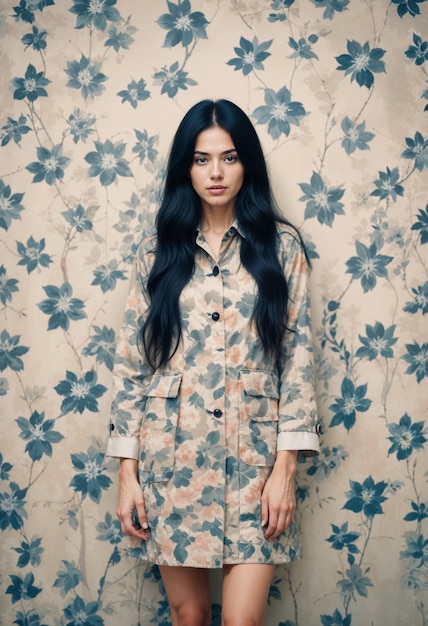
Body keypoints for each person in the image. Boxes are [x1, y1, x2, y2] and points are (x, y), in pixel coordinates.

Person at [106, 99, 320, 626]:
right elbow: (134, 365)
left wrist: (284, 472)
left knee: (241, 621)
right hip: (171, 462)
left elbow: (297, 359)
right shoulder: (156, 253)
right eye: (202, 159)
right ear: (187, 167)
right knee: (189, 616)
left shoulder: (281, 248)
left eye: (229, 158)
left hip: (256, 467)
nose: (216, 173)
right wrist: (127, 475)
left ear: (247, 163)